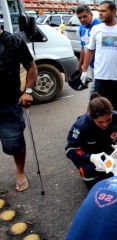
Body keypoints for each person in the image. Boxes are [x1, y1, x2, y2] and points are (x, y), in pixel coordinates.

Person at [65, 93, 117, 189]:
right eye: (100, 122)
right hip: (88, 156)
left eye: (108, 120)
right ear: (92, 117)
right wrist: (91, 157)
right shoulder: (81, 126)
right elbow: (70, 150)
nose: (105, 124)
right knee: (91, 176)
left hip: (109, 154)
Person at [81, 1, 117, 112]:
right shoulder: (96, 29)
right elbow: (89, 50)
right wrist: (84, 70)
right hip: (100, 77)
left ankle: (116, 127)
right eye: (99, 11)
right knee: (100, 108)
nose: (100, 14)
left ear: (113, 12)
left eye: (103, 11)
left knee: (116, 107)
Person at [0, 28, 37, 192]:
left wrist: (28, 92)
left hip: (9, 103)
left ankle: (20, 172)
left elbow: (32, 67)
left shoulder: (14, 41)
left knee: (14, 143)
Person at [75, 4, 101, 97]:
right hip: (91, 65)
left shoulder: (98, 26)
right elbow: (83, 47)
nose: (82, 20)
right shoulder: (81, 27)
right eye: (79, 18)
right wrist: (80, 65)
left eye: (85, 16)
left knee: (94, 92)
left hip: (100, 65)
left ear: (91, 15)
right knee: (98, 91)